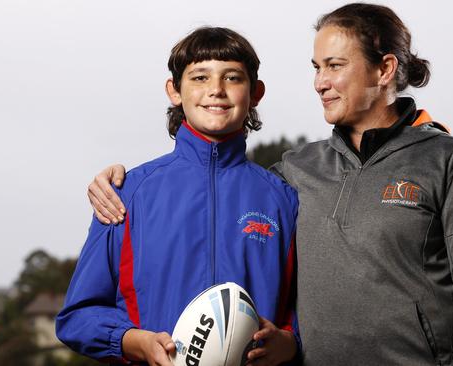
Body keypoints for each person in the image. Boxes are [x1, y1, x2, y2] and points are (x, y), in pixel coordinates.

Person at [86, 3, 453, 365]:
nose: (319, 82)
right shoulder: (293, 173)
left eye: (335, 66)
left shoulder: (448, 159)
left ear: (385, 68)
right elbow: (219, 181)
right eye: (317, 68)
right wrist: (113, 181)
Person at [56, 27, 300, 366]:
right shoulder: (128, 193)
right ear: (174, 90)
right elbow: (77, 317)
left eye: (232, 78)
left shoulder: (284, 200)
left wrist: (289, 343)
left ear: (255, 92)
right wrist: (134, 342)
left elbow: (309, 313)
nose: (216, 90)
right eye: (199, 77)